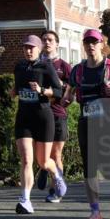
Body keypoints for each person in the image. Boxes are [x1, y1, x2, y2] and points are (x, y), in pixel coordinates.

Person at [61, 30, 110, 219]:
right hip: (87, 121)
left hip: (109, 121)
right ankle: (95, 213)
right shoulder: (78, 70)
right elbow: (69, 92)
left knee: (106, 164)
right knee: (89, 167)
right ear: (83, 45)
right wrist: (66, 99)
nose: (90, 46)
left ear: (102, 44)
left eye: (94, 42)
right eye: (87, 42)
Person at [12, 35, 65, 214]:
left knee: (43, 162)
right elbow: (17, 87)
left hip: (43, 117)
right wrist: (13, 91)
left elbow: (58, 91)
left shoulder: (46, 66)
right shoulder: (18, 67)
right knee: (27, 159)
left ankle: (56, 175)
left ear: (39, 49)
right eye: (26, 47)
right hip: (24, 118)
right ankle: (25, 199)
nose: (28, 51)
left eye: (32, 48)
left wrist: (42, 90)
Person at [40, 30, 72, 203]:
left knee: (56, 154)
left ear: (57, 44)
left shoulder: (64, 66)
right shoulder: (36, 64)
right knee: (42, 154)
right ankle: (44, 168)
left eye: (50, 40)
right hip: (40, 114)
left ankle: (55, 190)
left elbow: (72, 91)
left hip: (58, 114)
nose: (47, 42)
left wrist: (60, 88)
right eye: (44, 39)